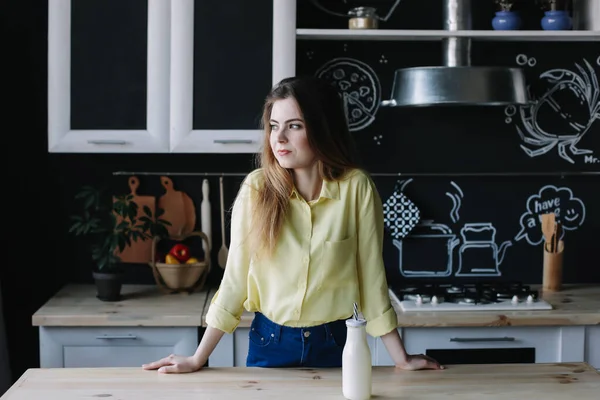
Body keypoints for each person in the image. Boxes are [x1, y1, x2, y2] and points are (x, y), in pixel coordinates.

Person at [142, 76, 443, 373]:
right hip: (269, 342)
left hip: (336, 343)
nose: (279, 138)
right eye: (274, 127)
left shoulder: (356, 189)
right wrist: (197, 358)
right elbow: (234, 280)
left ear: (322, 130)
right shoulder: (256, 190)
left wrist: (400, 358)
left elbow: (372, 279)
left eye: (294, 126)